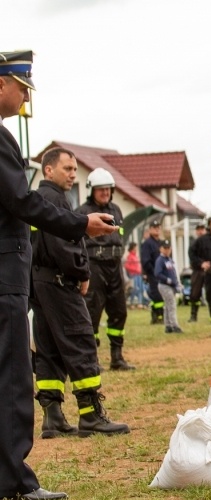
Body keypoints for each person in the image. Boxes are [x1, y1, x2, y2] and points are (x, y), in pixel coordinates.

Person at [0, 51, 122, 500]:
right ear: (1, 84)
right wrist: (82, 224)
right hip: (7, 274)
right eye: (21, 88)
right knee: (14, 377)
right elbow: (20, 201)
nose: (24, 98)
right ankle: (13, 481)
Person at [30, 149, 131, 440]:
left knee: (48, 348)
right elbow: (64, 244)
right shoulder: (56, 200)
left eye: (75, 169)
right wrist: (81, 272)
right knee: (80, 339)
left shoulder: (38, 200)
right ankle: (91, 415)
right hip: (60, 283)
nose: (73, 174)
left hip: (40, 282)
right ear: (49, 170)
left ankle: (53, 418)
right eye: (68, 168)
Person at [76, 168, 135, 370]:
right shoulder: (83, 212)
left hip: (115, 266)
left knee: (119, 311)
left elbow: (120, 234)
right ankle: (92, 360)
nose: (105, 193)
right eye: (100, 189)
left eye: (108, 189)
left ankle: (117, 357)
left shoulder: (116, 210)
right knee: (92, 313)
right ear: (91, 190)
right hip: (95, 266)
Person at [154, 239, 183, 334]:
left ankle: (168, 326)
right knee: (171, 305)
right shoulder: (160, 260)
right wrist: (168, 280)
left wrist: (177, 282)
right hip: (164, 285)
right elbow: (157, 273)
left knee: (167, 306)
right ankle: (174, 325)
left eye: (168, 248)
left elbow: (173, 272)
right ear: (161, 249)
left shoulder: (169, 259)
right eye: (165, 248)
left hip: (171, 286)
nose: (167, 250)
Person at [140, 219, 165, 323]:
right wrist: (153, 272)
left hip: (163, 274)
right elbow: (145, 260)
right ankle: (158, 317)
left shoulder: (162, 243)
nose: (157, 230)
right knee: (157, 295)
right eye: (154, 228)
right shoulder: (147, 243)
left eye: (158, 228)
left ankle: (156, 317)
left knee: (161, 295)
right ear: (150, 230)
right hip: (153, 274)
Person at [187, 222, 206, 322]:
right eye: (198, 229)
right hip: (198, 270)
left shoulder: (210, 241)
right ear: (196, 231)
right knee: (194, 294)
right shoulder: (194, 243)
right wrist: (200, 263)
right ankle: (193, 315)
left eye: (202, 229)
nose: (200, 231)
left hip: (210, 270)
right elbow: (191, 255)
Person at [124, 242, 146, 307]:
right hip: (133, 274)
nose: (136, 249)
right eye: (135, 248)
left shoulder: (136, 256)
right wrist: (134, 269)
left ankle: (140, 302)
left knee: (140, 288)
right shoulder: (129, 256)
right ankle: (132, 302)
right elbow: (127, 266)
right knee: (134, 288)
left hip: (139, 274)